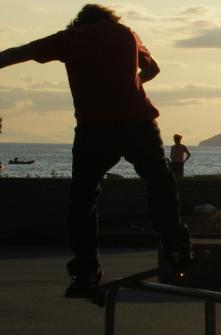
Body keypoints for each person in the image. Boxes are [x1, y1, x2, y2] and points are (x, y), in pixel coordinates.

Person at [0, 4, 194, 298]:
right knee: (159, 180)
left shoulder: (69, 37)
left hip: (94, 128)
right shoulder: (127, 34)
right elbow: (153, 68)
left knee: (83, 198)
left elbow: (19, 53)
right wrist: (129, 84)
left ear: (80, 21)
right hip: (137, 122)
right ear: (110, 19)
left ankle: (86, 271)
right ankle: (177, 246)